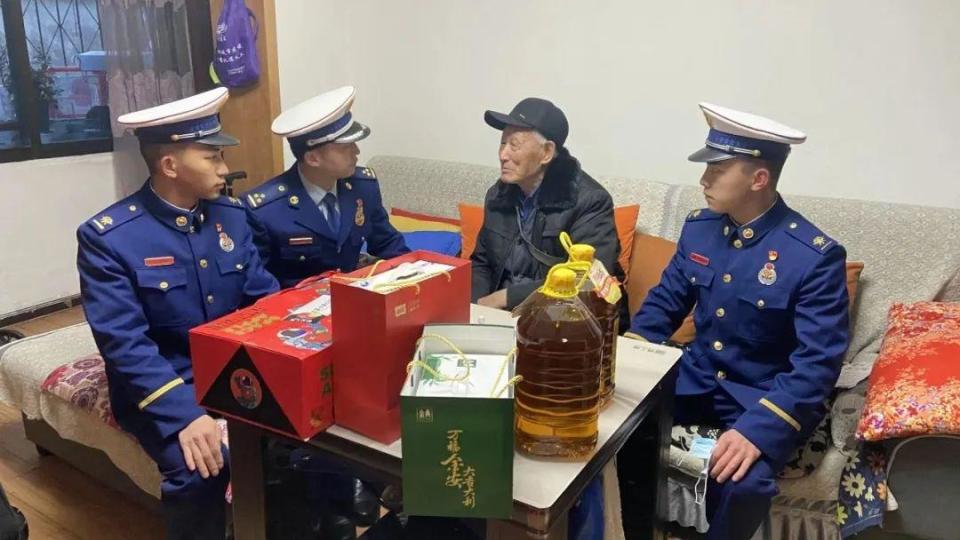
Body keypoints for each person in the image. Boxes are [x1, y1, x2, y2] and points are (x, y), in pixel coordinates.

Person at [628, 103, 850, 539]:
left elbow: (818, 363)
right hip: (692, 379)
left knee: (744, 484)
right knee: (617, 430)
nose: (704, 179)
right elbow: (663, 305)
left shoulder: (813, 256)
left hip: (759, 396)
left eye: (717, 169)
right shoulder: (700, 229)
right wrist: (629, 358)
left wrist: (756, 432)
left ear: (758, 178)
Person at [76, 87, 279, 539]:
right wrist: (183, 414)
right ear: (170, 165)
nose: (224, 169)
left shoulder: (231, 217)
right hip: (167, 383)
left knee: (303, 435)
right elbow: (124, 344)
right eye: (212, 157)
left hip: (234, 370)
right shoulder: (110, 238)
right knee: (200, 469)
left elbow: (264, 300)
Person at [244, 86, 409, 288]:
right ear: (313, 158)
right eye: (345, 147)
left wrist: (414, 275)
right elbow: (258, 283)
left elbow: (388, 244)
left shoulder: (363, 187)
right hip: (297, 304)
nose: (356, 151)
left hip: (354, 295)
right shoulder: (265, 210)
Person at [471, 97, 625, 312]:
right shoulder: (498, 195)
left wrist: (504, 298)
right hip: (498, 315)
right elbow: (481, 262)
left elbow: (586, 280)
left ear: (546, 153)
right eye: (503, 143)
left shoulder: (589, 201)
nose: (503, 155)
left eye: (514, 145)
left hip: (559, 316)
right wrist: (475, 308)